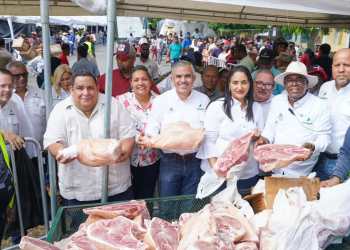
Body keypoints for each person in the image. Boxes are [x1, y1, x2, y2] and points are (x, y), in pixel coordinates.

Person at [44, 70, 136, 206]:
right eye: (80, 88)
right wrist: (62, 152)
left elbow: (128, 138)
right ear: (71, 89)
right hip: (78, 192)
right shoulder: (60, 110)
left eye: (90, 88)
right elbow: (53, 142)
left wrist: (119, 152)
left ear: (97, 87)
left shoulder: (114, 105)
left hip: (116, 188)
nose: (85, 93)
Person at [139, 60, 210, 200]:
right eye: (178, 76)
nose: (183, 80)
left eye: (187, 76)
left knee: (190, 207)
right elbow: (152, 128)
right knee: (168, 206)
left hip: (195, 162)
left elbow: (208, 131)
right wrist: (150, 138)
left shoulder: (204, 100)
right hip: (170, 162)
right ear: (172, 79)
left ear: (194, 78)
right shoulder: (161, 101)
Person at [197, 66, 264, 195]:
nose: (240, 87)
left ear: (250, 84)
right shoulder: (217, 106)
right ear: (228, 85)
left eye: (244, 82)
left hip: (247, 174)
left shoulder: (257, 108)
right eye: (235, 83)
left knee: (245, 212)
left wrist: (257, 138)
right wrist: (218, 169)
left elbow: (259, 140)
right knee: (219, 213)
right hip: (219, 174)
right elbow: (208, 142)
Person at [257, 61, 331, 177]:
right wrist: (265, 140)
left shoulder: (320, 105)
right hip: (274, 168)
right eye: (290, 80)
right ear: (285, 84)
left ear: (307, 84)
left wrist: (313, 146)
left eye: (299, 80)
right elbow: (270, 129)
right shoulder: (277, 101)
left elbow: (325, 138)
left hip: (302, 173)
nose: (294, 84)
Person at [117, 66, 160, 199]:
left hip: (151, 160)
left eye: (144, 79)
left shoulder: (160, 101)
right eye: (136, 80)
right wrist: (134, 137)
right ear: (131, 83)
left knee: (146, 198)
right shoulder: (120, 101)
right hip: (125, 160)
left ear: (151, 81)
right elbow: (116, 126)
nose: (140, 83)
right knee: (127, 200)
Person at [314, 48, 350, 180]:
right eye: (337, 65)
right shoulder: (325, 88)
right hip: (319, 158)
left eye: (346, 65)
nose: (341, 70)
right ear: (332, 67)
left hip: (344, 164)